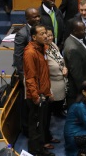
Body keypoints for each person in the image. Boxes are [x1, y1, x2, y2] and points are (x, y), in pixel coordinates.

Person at [23, 24, 54, 156]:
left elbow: (44, 74)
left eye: (46, 33)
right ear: (34, 37)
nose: (46, 36)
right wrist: (35, 96)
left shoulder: (42, 48)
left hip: (43, 93)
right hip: (36, 96)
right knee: (35, 126)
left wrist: (48, 92)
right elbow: (30, 78)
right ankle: (36, 151)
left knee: (41, 124)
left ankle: (41, 148)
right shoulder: (30, 53)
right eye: (42, 34)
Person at [64, 20, 86, 106]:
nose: (85, 32)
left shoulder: (73, 39)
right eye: (82, 30)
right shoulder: (73, 48)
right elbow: (77, 74)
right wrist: (84, 90)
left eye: (85, 29)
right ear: (74, 31)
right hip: (78, 90)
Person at [43, 26, 67, 135]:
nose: (49, 38)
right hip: (51, 83)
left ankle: (58, 112)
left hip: (61, 80)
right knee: (48, 111)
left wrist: (65, 67)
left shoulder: (53, 45)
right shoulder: (42, 51)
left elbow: (61, 59)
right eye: (47, 36)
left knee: (58, 105)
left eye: (51, 35)